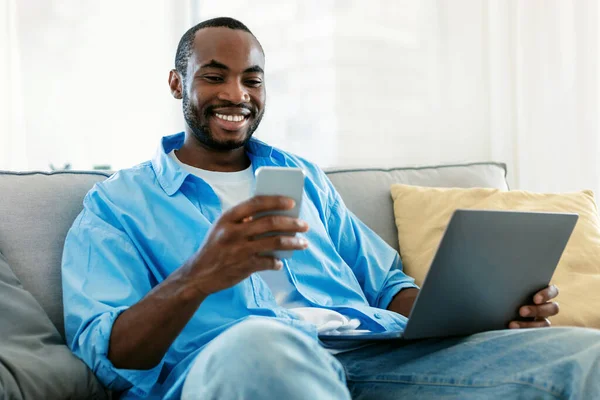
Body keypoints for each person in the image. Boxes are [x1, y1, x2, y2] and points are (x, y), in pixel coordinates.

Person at [61, 17, 600, 400]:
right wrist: (201, 276)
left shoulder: (303, 178)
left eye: (252, 79)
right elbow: (108, 353)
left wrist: (481, 311)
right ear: (178, 83)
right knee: (261, 343)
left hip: (376, 358)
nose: (237, 93)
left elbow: (388, 285)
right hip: (239, 366)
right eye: (213, 75)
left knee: (585, 352)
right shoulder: (118, 204)